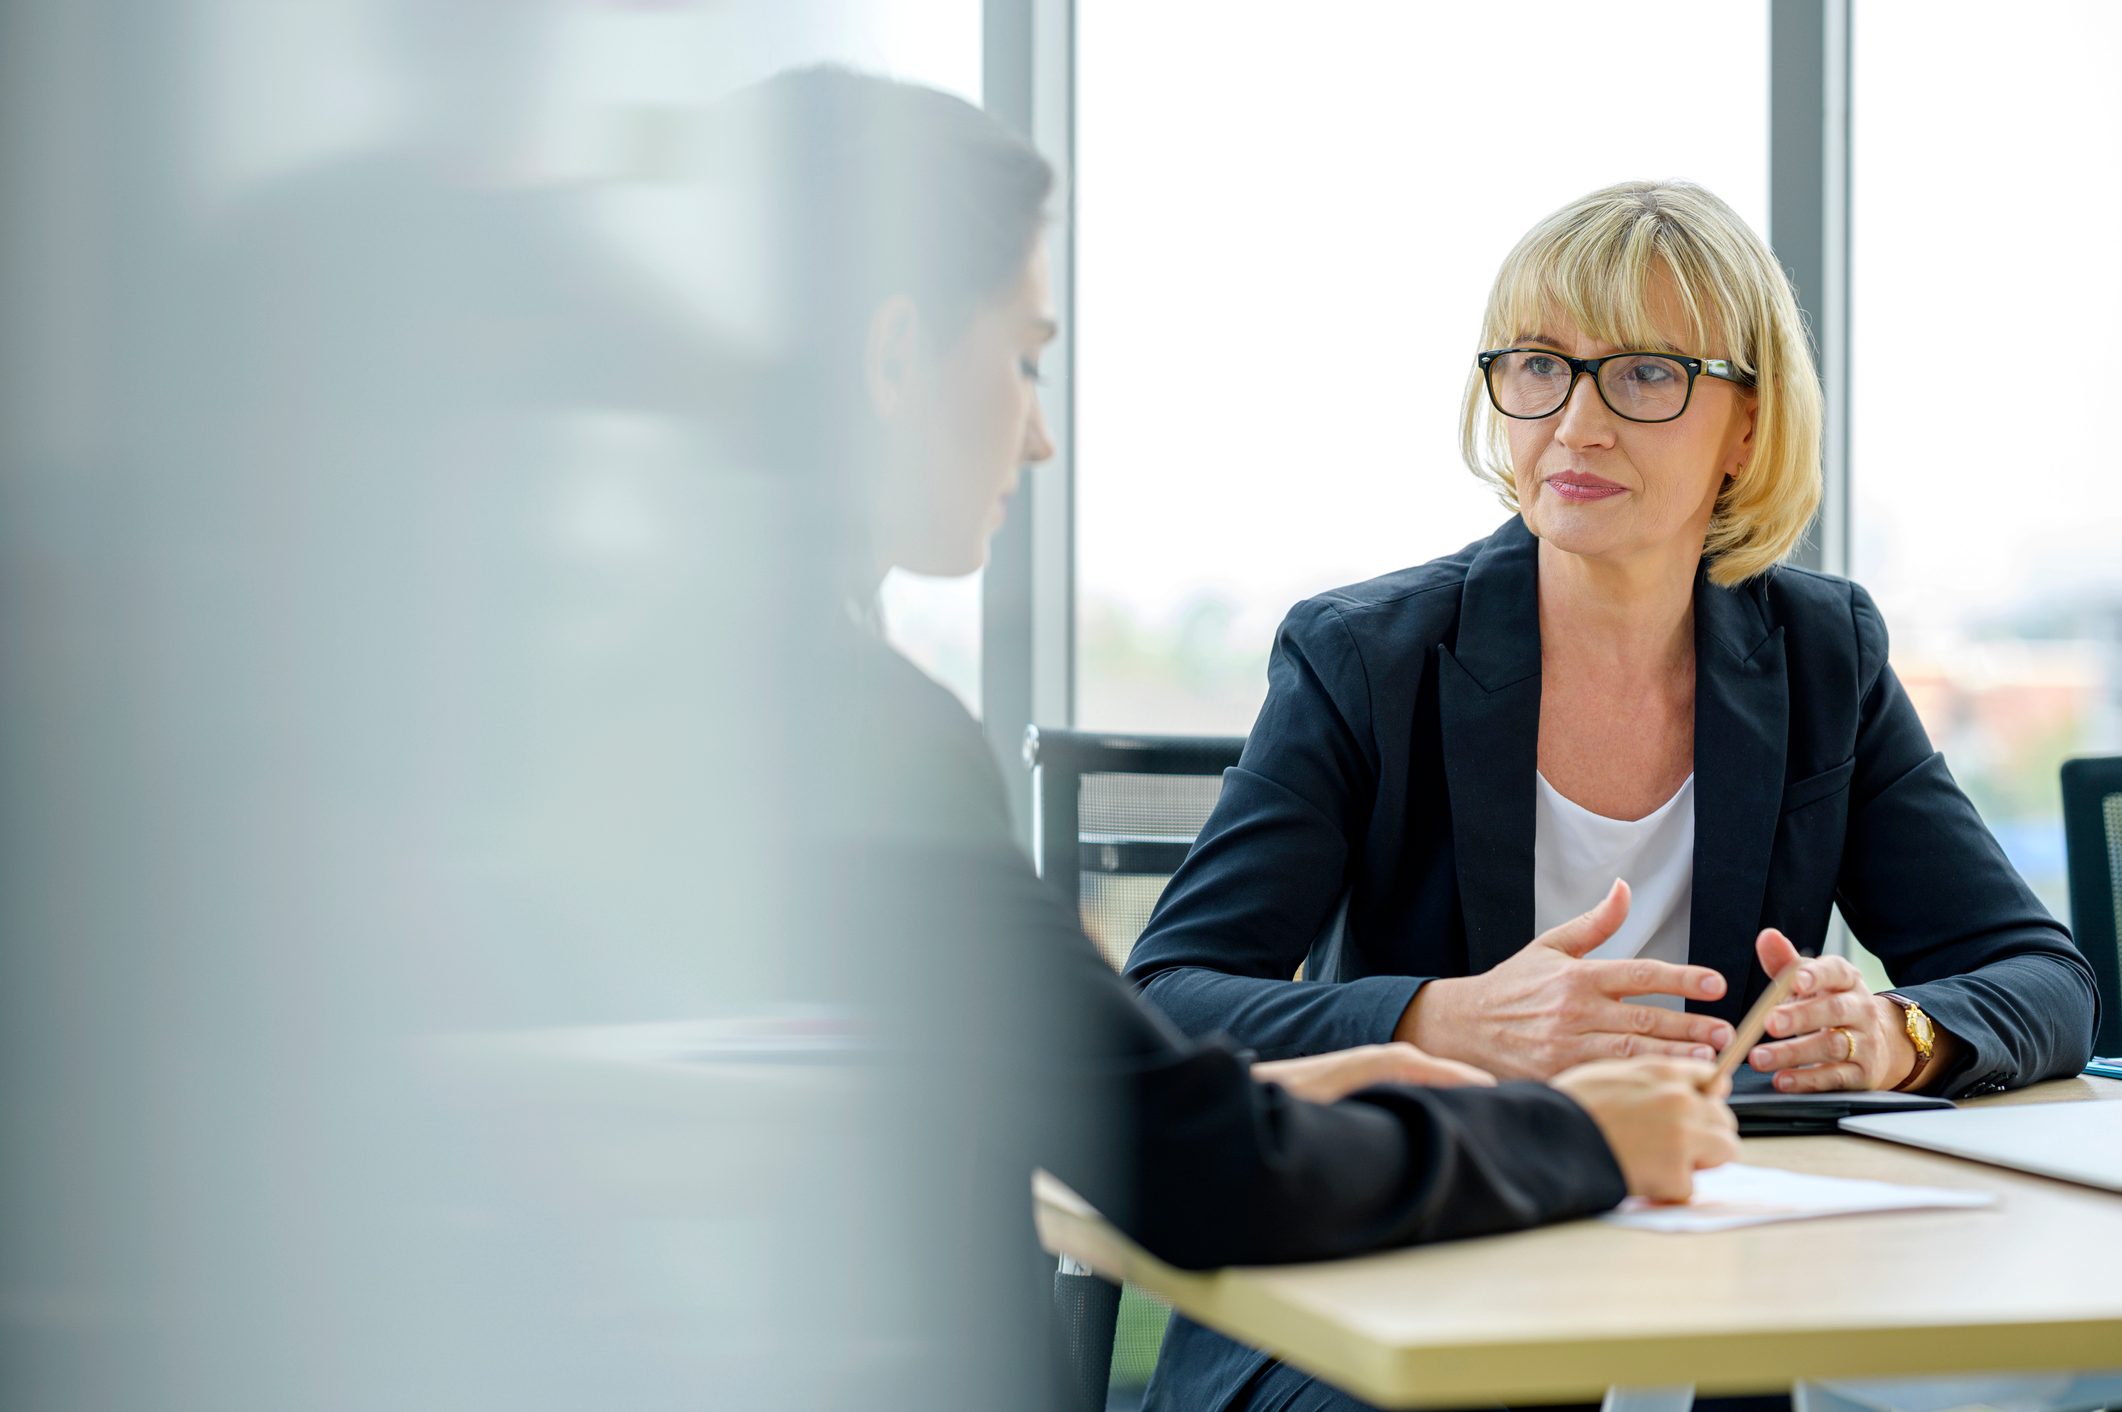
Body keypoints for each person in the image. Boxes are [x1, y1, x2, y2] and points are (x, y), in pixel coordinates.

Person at [722, 74, 1741, 1412]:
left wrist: (1299, 1089)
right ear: (896, 355)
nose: (1035, 434)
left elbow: (1056, 1092)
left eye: (1646, 376)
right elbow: (1179, 1156)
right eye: (1023, 357)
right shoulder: (862, 728)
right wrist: (1569, 1135)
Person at [1121, 180, 2101, 1409]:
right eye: (1538, 365)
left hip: (1702, 1293)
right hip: (1392, 1297)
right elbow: (1169, 995)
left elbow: (2041, 976)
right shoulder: (1363, 656)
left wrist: (1901, 1034)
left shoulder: (1820, 653)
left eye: (1644, 375)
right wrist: (1445, 1017)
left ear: (1747, 426)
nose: (1574, 423)